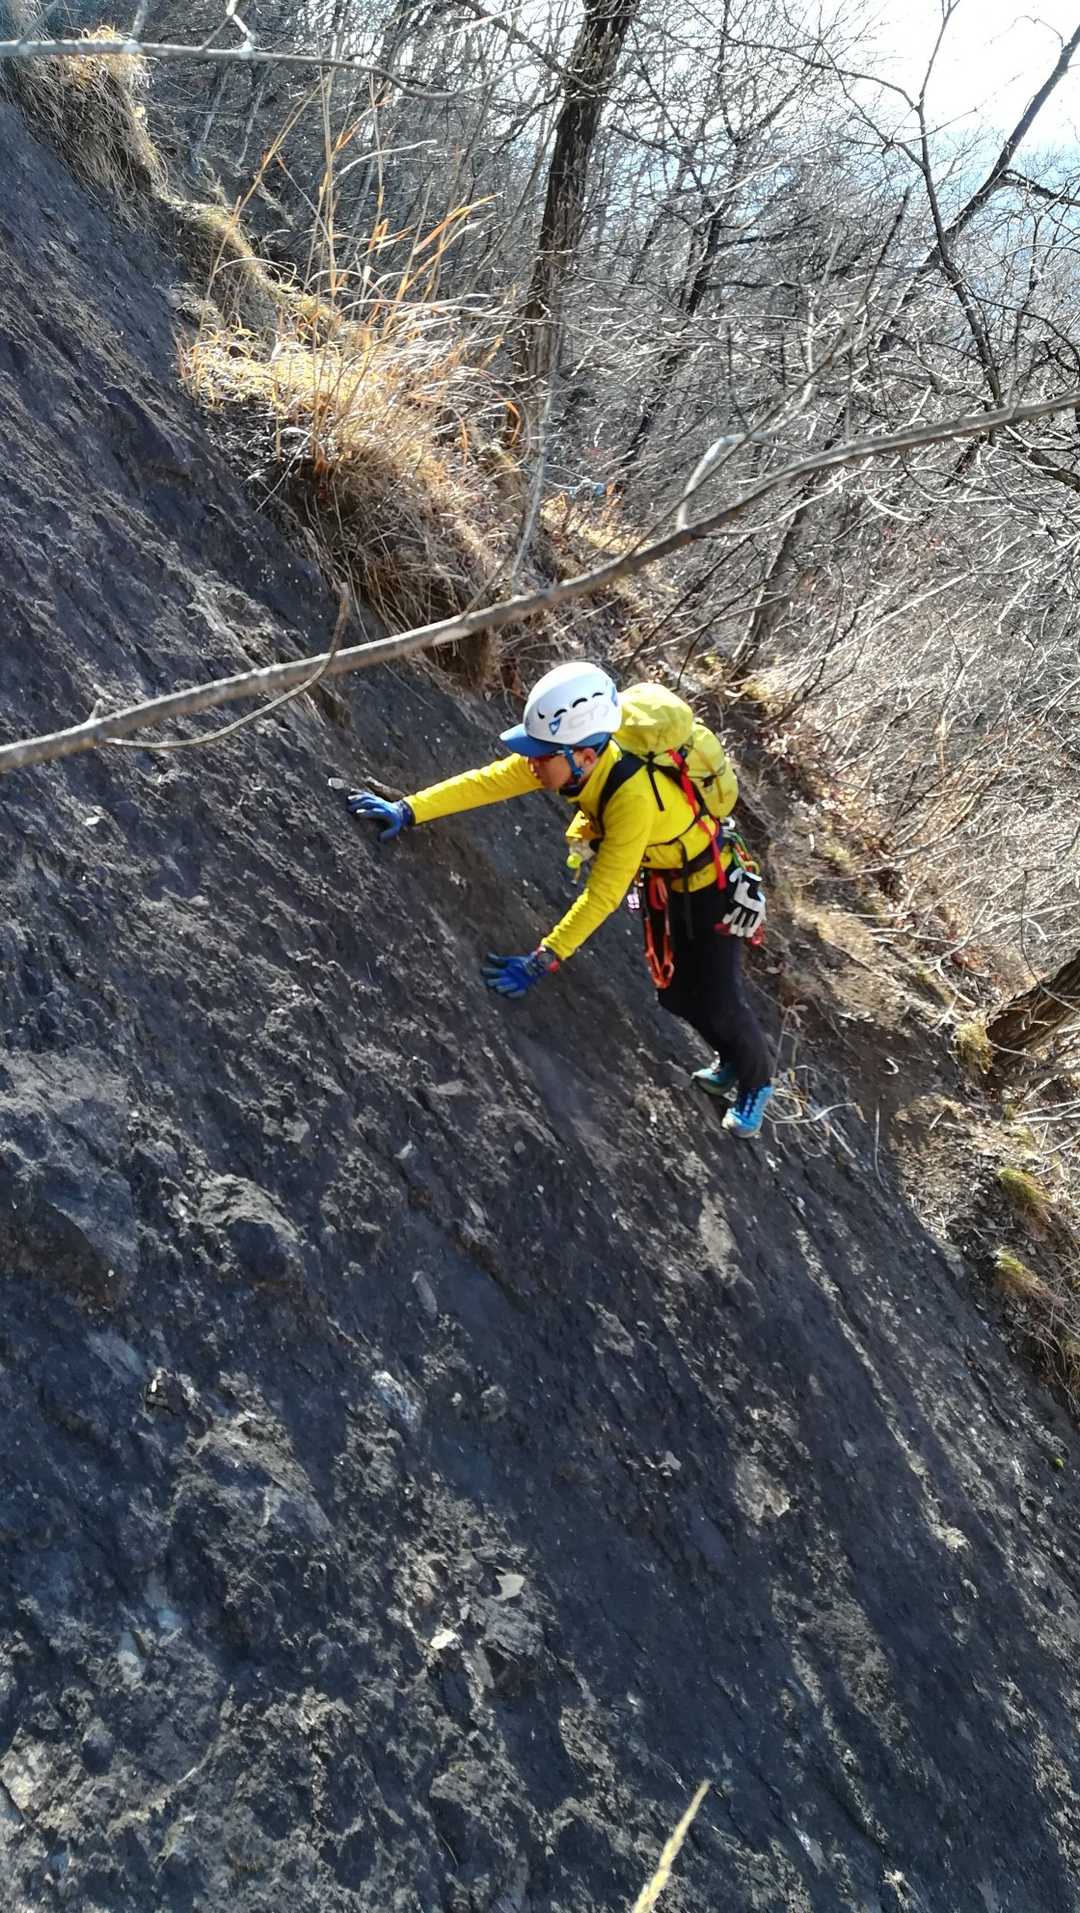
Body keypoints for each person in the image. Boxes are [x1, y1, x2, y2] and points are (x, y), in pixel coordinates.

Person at [346, 661, 774, 1137]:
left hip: (713, 885)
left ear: (585, 756)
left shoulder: (630, 797)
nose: (531, 762)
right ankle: (732, 1058)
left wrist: (543, 959)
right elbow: (487, 782)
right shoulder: (569, 762)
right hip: (668, 880)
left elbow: (603, 894)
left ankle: (757, 1083)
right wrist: (409, 809)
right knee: (674, 995)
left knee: (720, 999)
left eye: (541, 754)